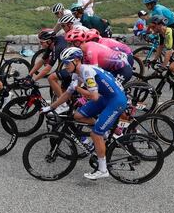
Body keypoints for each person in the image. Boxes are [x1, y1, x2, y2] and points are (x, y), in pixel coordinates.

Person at [42, 47, 127, 181]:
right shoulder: (77, 72)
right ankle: (103, 130)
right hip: (105, 97)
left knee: (95, 134)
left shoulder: (87, 72)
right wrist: (50, 108)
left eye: (67, 63)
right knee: (78, 116)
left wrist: (78, 88)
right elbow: (67, 94)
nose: (65, 66)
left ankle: (103, 169)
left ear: (76, 60)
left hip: (116, 101)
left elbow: (93, 96)